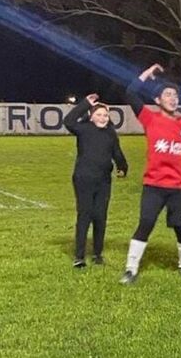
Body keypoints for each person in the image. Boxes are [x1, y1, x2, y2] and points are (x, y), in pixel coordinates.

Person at [120, 64, 181, 284]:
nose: (173, 98)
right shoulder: (149, 118)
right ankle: (130, 269)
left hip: (178, 188)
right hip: (154, 186)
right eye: (167, 94)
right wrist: (147, 74)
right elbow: (130, 93)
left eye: (175, 95)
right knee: (145, 224)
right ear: (157, 101)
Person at [63, 94, 127, 268]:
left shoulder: (110, 133)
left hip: (104, 181)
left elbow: (117, 152)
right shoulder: (83, 128)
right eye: (99, 114)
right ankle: (79, 257)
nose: (103, 118)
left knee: (100, 216)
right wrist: (85, 104)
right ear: (91, 116)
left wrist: (123, 167)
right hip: (83, 179)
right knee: (85, 215)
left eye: (105, 115)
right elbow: (68, 121)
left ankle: (98, 254)